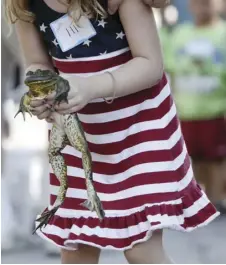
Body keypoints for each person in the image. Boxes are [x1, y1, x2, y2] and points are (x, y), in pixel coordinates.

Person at [6, 0, 219, 263]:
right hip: (80, 136)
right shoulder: (26, 4)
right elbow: (37, 62)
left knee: (141, 250)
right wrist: (42, 90)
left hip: (139, 129)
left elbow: (150, 64)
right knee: (77, 250)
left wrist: (91, 87)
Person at [163, 0, 226, 212]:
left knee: (216, 158)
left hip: (215, 110)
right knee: (194, 158)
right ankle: (202, 198)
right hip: (187, 111)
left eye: (207, 2)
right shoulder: (180, 34)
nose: (203, 7)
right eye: (198, 2)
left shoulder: (222, 34)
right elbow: (169, 65)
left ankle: (217, 201)